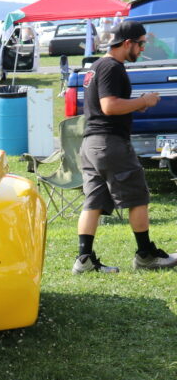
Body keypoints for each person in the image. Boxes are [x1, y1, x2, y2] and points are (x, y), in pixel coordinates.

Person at [74, 20, 174, 273]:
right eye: (140, 44)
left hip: (91, 144)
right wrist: (144, 100)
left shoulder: (96, 66)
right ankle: (146, 256)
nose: (142, 50)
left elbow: (106, 106)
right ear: (127, 43)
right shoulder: (112, 67)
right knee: (138, 196)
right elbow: (109, 106)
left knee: (93, 202)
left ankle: (84, 260)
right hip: (110, 142)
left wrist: (135, 104)